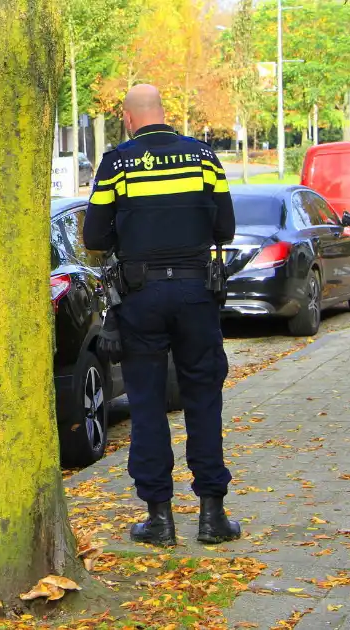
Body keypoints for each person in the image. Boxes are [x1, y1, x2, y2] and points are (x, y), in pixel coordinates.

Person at [83, 84, 240, 547]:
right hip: (196, 292)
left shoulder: (116, 163)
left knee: (147, 406)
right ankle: (212, 516)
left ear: (129, 120)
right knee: (203, 402)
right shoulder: (204, 158)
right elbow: (225, 228)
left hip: (141, 295)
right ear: (164, 114)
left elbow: (94, 235)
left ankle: (159, 519)